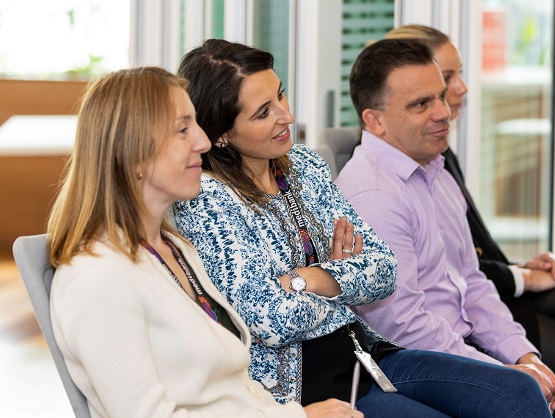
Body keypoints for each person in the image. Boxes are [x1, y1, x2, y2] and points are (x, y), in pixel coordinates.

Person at [173, 38, 553, 418]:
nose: (286, 116)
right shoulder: (207, 197)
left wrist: (309, 278)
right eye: (262, 113)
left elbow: (384, 271)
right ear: (220, 133)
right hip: (303, 386)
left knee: (517, 392)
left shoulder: (304, 166)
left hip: (364, 353)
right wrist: (343, 281)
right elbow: (271, 320)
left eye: (281, 95)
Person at [47, 66, 360, 418]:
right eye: (183, 130)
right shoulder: (97, 277)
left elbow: (233, 388)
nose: (204, 142)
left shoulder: (173, 248)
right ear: (128, 153)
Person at [334, 37, 555, 417]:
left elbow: (472, 282)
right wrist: (504, 374)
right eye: (421, 104)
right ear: (374, 121)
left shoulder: (434, 168)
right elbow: (402, 327)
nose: (443, 112)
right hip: (419, 364)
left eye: (440, 96)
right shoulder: (374, 194)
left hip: (463, 345)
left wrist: (524, 356)